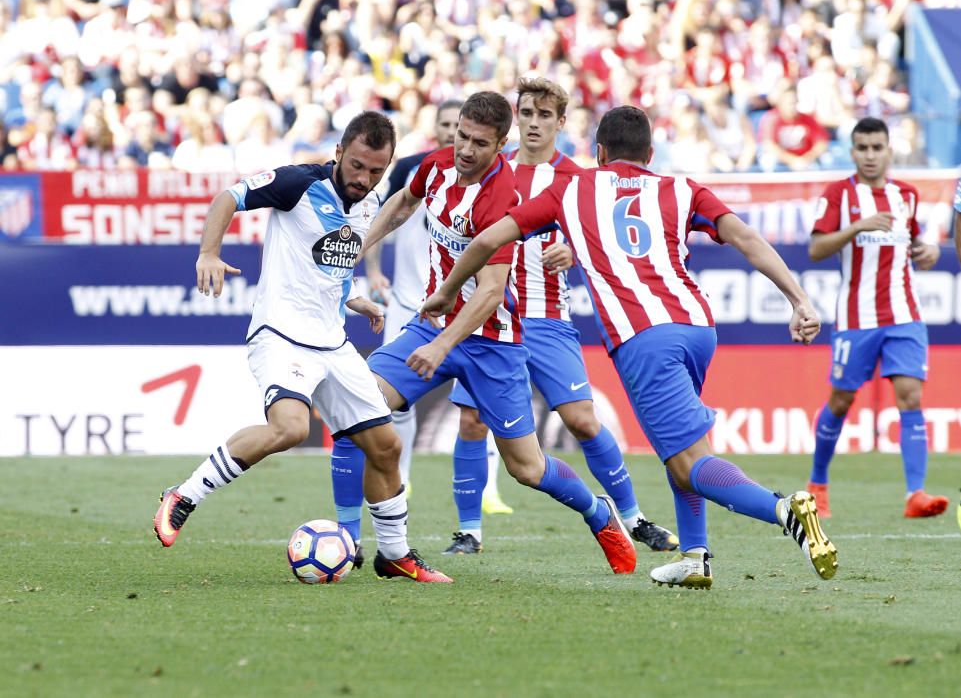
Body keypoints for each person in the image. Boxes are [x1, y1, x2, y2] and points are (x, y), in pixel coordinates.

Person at [420, 105, 839, 590]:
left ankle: (784, 510)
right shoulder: (681, 188)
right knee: (682, 451)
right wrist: (799, 299)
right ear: (651, 154)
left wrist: (450, 288)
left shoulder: (572, 187)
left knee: (690, 462)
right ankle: (696, 556)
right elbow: (744, 237)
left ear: (598, 152)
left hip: (644, 337)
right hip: (696, 327)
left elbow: (491, 238)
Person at [332, 91, 637, 576]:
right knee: (358, 408)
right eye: (461, 137)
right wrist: (354, 246)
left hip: (491, 343)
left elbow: (491, 293)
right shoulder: (436, 165)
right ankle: (350, 539)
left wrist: (441, 344)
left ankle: (599, 514)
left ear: (501, 147)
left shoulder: (501, 199)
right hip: (430, 326)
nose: (466, 150)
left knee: (527, 469)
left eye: (479, 143)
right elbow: (401, 204)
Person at [153, 111, 452, 583]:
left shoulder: (368, 201)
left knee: (386, 446)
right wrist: (208, 252)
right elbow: (227, 197)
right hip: (282, 335)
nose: (364, 178)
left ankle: (393, 554)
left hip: (333, 343)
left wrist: (355, 299)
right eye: (356, 165)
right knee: (291, 428)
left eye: (376, 171)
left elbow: (331, 261)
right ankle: (184, 494)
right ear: (338, 153)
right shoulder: (298, 184)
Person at [442, 77, 677, 556]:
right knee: (471, 420)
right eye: (526, 113)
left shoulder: (579, 179)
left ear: (561, 123)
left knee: (583, 420)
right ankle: (469, 531)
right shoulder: (494, 171)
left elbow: (609, 239)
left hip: (548, 317)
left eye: (544, 116)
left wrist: (574, 248)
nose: (533, 124)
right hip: (491, 318)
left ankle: (634, 517)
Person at [806, 117, 947, 519]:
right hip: (857, 317)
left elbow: (913, 242)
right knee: (841, 399)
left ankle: (915, 495)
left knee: (911, 396)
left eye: (877, 147)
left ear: (889, 150)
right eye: (862, 148)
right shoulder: (838, 195)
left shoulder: (906, 195)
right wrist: (858, 226)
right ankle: (817, 484)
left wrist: (929, 252)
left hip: (904, 313)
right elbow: (816, 248)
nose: (870, 155)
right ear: (852, 152)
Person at [357, 99, 462, 496]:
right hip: (406, 303)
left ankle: (485, 495)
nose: (453, 132)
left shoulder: (489, 173)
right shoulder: (412, 168)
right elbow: (384, 216)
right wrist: (373, 271)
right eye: (446, 123)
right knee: (393, 401)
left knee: (473, 411)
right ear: (435, 127)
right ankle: (401, 476)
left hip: (460, 307)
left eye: (459, 124)